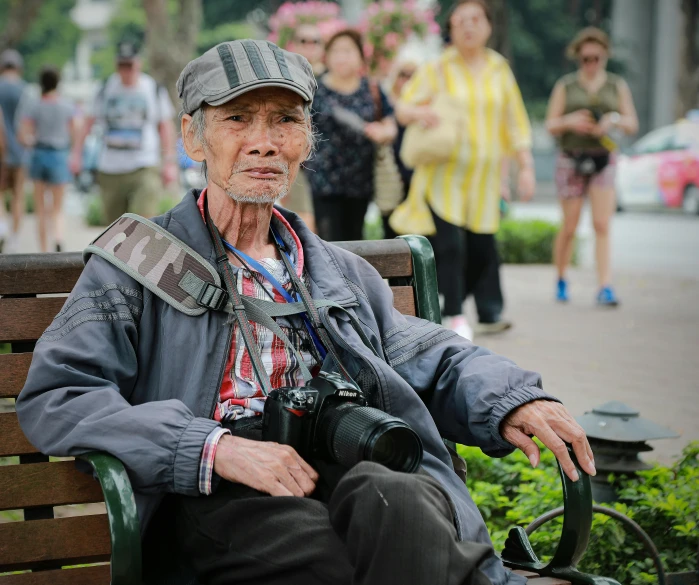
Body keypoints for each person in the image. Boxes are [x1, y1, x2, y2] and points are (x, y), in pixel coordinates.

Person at [17, 39, 596, 585]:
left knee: (405, 497)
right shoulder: (137, 264)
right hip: (215, 493)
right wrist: (212, 447)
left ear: (306, 141)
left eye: (285, 120)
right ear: (193, 138)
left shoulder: (334, 272)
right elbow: (60, 395)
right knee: (342, 558)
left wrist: (511, 397)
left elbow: (428, 353)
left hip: (342, 457)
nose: (264, 142)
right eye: (237, 119)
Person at [396, 0, 535, 341]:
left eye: (476, 20)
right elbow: (402, 106)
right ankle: (455, 314)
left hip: (484, 180)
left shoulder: (498, 68)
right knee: (449, 247)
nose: (469, 27)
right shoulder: (437, 68)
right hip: (444, 176)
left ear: (488, 26)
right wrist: (418, 114)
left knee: (481, 247)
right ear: (451, 29)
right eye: (460, 21)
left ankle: (473, 307)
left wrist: (524, 167)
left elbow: (514, 121)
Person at [546, 27, 638, 307]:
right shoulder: (566, 85)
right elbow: (550, 124)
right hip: (571, 157)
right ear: (578, 58)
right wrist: (571, 121)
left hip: (603, 157)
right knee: (570, 225)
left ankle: (605, 285)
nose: (591, 64)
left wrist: (612, 120)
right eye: (585, 58)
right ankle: (561, 278)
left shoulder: (616, 85)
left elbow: (632, 124)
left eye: (596, 58)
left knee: (601, 224)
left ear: (604, 56)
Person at [69, 41, 178, 224]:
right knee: (113, 229)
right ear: (116, 65)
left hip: (144, 166)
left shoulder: (152, 88)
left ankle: (143, 254)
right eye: (122, 65)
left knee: (146, 224)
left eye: (130, 65)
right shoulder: (104, 89)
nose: (126, 70)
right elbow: (87, 123)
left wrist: (169, 163)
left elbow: (165, 126)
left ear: (138, 63)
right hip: (110, 168)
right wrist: (76, 154)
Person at [308, 29, 397, 241]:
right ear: (327, 57)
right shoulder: (314, 89)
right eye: (335, 51)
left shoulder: (372, 88)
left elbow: (390, 123)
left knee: (355, 239)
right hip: (324, 182)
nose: (341, 57)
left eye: (347, 51)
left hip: (361, 182)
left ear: (360, 57)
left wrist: (382, 133)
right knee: (330, 242)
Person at [18, 66, 78, 252]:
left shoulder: (34, 105)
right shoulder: (67, 105)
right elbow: (75, 129)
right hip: (59, 154)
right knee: (58, 207)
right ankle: (58, 238)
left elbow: (23, 134)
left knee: (40, 208)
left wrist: (31, 141)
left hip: (39, 154)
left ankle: (43, 249)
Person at [280, 23, 328, 233]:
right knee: (303, 225)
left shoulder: (331, 80)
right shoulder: (283, 81)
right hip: (299, 162)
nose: (309, 46)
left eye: (314, 41)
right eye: (303, 41)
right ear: (293, 44)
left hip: (331, 166)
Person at [383, 53, 419, 239]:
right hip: (392, 171)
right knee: (391, 226)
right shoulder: (387, 101)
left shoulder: (424, 104)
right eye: (403, 74)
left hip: (415, 171)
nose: (407, 79)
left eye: (413, 75)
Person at [0, 49, 28, 252]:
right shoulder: (25, 89)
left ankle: (2, 228)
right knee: (18, 195)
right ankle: (15, 238)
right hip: (21, 151)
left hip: (1, 150)